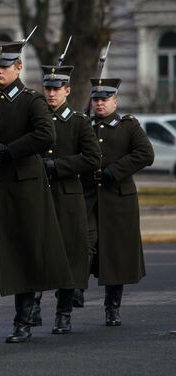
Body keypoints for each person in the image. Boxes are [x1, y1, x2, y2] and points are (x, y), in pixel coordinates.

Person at [0, 40, 73, 343]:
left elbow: (45, 135)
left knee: (23, 254)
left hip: (22, 188)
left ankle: (22, 322)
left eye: (5, 66)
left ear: (18, 68)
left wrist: (13, 150)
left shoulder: (31, 100)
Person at [29, 65, 101, 334]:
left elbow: (93, 158)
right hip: (39, 195)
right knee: (36, 253)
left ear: (67, 91)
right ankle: (32, 308)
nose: (51, 94)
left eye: (56, 89)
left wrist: (58, 166)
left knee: (70, 257)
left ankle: (63, 314)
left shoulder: (79, 122)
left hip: (68, 196)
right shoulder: (35, 119)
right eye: (47, 88)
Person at [81, 77, 154, 326]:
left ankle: (112, 308)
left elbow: (146, 154)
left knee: (116, 255)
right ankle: (76, 290)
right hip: (89, 196)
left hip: (118, 199)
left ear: (115, 101)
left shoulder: (128, 126)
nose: (99, 103)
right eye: (96, 99)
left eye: (105, 99)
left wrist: (116, 170)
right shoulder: (85, 125)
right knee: (84, 242)